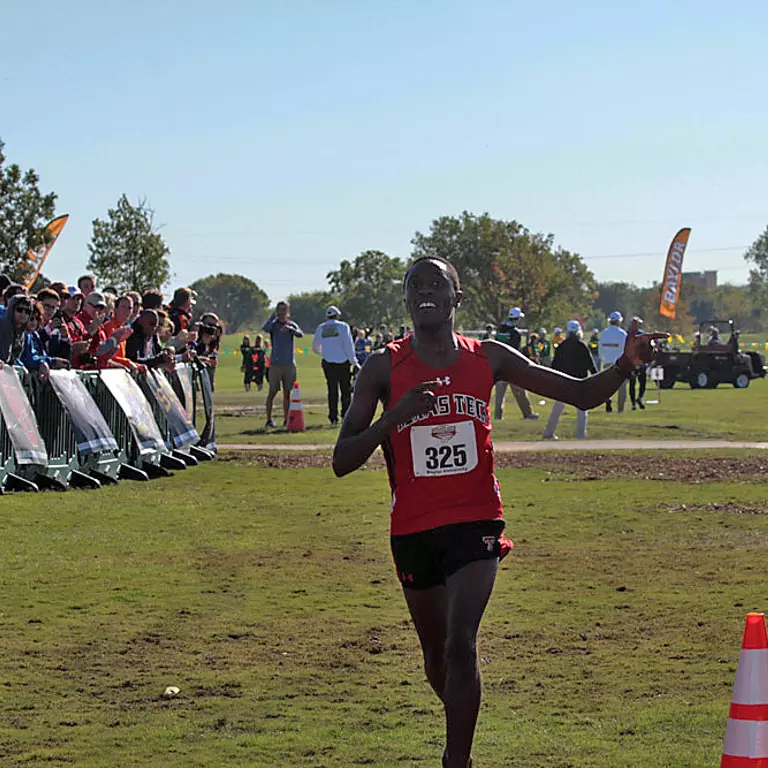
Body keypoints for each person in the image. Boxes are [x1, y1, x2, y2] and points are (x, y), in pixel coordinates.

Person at [332, 256, 662, 768]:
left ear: (455, 298)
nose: (424, 291)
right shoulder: (384, 366)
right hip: (414, 529)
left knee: (461, 644)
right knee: (438, 662)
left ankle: (456, 761)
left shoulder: (488, 357)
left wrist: (624, 366)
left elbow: (577, 395)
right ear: (406, 300)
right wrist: (391, 420)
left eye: (435, 284)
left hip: (477, 521)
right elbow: (341, 460)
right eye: (414, 285)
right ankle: (460, 714)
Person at [541, 320, 597, 440]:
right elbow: (591, 365)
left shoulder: (562, 346)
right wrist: (596, 379)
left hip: (563, 382)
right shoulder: (582, 346)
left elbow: (554, 366)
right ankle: (581, 434)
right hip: (579, 382)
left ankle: (549, 432)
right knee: (582, 409)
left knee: (557, 408)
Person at [312, 305, 359, 425]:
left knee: (332, 391)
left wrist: (325, 353)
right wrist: (355, 362)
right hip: (343, 363)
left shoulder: (321, 328)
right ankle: (345, 415)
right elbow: (348, 346)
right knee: (345, 390)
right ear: (337, 315)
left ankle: (333, 417)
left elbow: (315, 347)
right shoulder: (343, 327)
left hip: (328, 363)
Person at [263, 301, 303, 428]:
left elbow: (300, 334)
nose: (282, 312)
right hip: (275, 363)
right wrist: (273, 317)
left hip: (289, 363)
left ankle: (287, 419)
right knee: (272, 392)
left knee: (287, 393)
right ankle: (269, 420)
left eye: (284, 309)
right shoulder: (274, 325)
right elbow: (265, 328)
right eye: (280, 309)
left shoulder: (291, 324)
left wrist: (290, 329)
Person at [493, 307, 538, 421]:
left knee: (499, 395)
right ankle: (527, 413)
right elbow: (515, 351)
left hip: (499, 365)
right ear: (517, 319)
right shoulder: (516, 333)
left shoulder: (500, 330)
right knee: (520, 392)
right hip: (511, 367)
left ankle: (498, 416)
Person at [599, 311, 628, 413]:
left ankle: (608, 400)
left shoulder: (603, 333)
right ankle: (620, 408)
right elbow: (625, 350)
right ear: (619, 322)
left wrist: (604, 359)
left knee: (607, 386)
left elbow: (600, 349)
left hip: (607, 362)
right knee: (622, 387)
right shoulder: (622, 334)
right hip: (619, 363)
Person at [628, 316, 647, 410]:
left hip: (631, 362)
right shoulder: (642, 334)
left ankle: (633, 404)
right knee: (642, 382)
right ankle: (639, 398)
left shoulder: (627, 334)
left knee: (632, 383)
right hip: (641, 362)